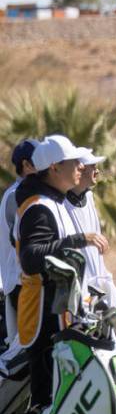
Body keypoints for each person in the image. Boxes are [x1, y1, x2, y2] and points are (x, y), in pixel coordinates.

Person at [15, 135, 108, 407]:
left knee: (61, 400)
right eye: (73, 162)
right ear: (54, 167)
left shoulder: (53, 201)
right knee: (48, 403)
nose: (80, 165)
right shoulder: (39, 207)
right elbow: (30, 258)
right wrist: (78, 240)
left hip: (58, 314)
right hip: (45, 318)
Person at [66, 148, 116, 311]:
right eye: (93, 166)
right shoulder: (61, 203)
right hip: (79, 286)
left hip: (98, 279)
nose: (97, 171)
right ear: (80, 169)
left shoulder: (89, 197)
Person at [0, 139, 38, 368]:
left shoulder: (24, 192)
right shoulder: (18, 195)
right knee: (18, 354)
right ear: (26, 165)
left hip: (22, 281)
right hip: (19, 283)